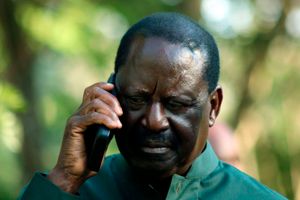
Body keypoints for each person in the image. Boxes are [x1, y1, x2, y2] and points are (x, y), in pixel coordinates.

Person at [19, 12, 286, 199]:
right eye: (136, 99)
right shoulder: (71, 191)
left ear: (213, 107)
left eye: (177, 104)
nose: (154, 120)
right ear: (111, 92)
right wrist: (65, 178)